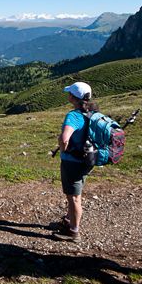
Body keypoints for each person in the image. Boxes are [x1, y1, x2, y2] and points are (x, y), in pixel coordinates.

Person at [54, 81, 97, 242]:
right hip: (88, 159)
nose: (68, 95)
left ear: (73, 97)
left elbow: (65, 139)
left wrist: (63, 149)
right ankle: (69, 219)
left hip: (73, 161)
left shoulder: (73, 116)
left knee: (73, 197)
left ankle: (73, 231)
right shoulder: (93, 113)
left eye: (69, 93)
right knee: (76, 193)